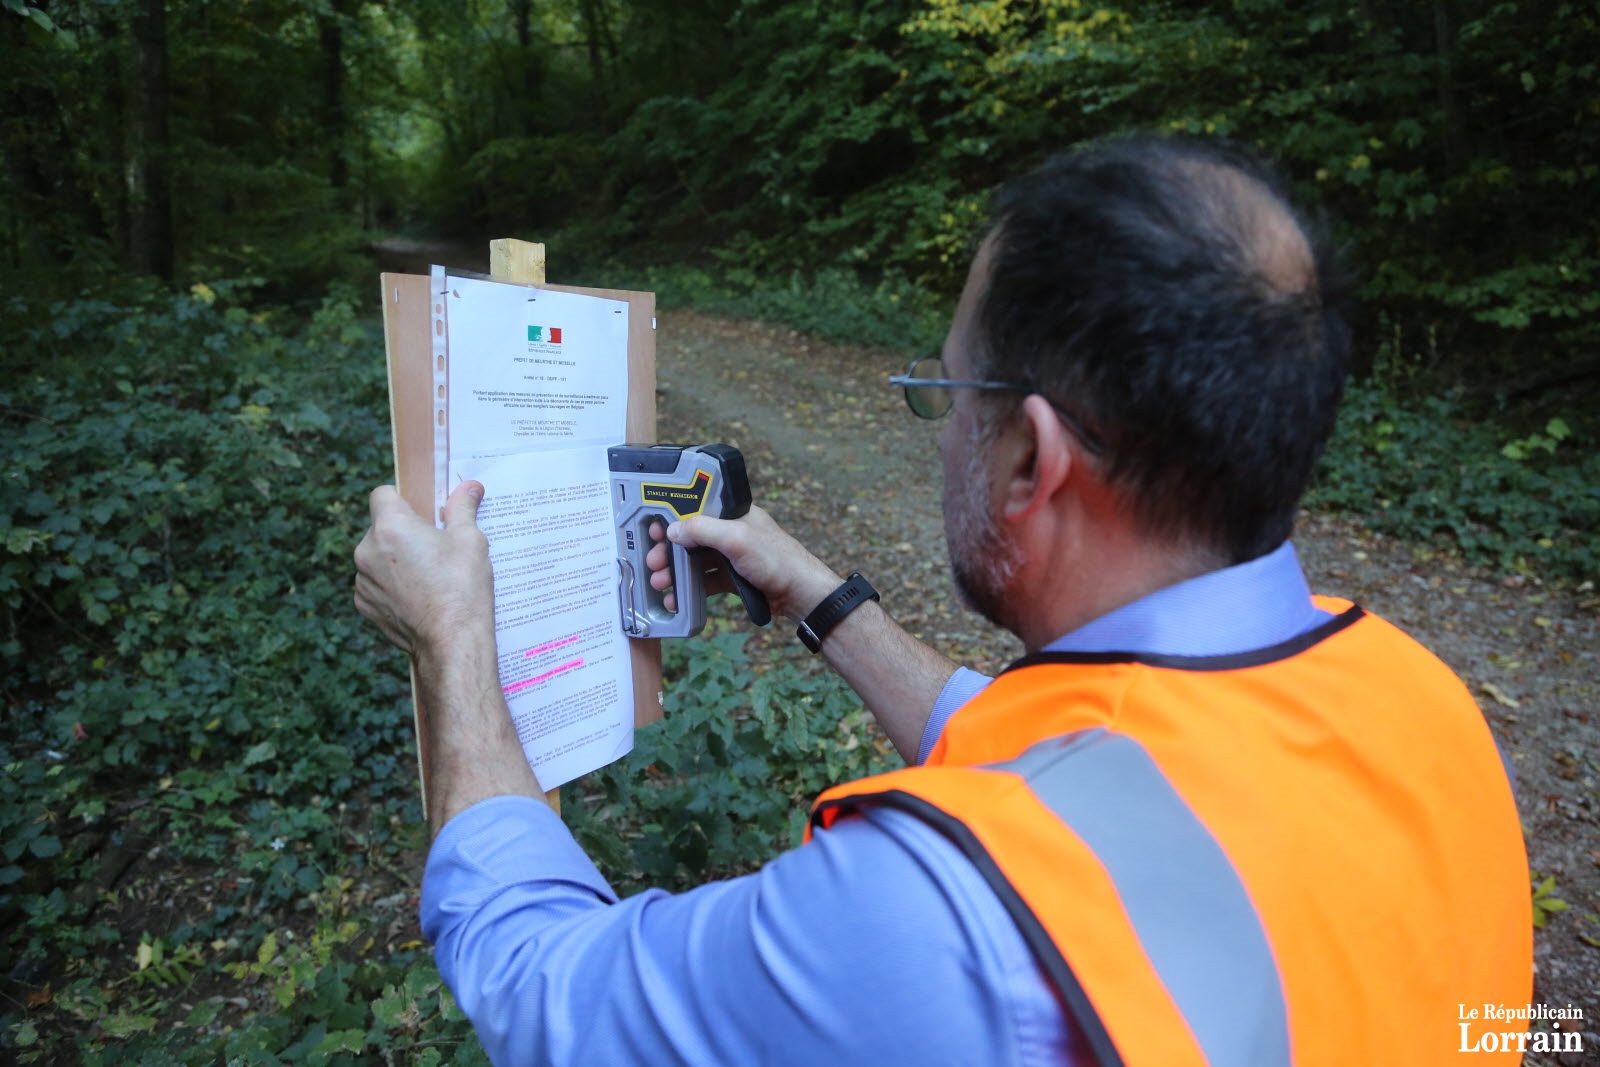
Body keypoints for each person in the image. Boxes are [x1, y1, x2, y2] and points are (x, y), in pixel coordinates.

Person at [353, 135, 1531, 1066]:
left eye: (945, 394)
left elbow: (543, 989)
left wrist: (459, 639)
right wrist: (815, 593)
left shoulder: (931, 917)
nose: (940, 434)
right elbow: (1109, 789)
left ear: (1031, 456)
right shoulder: (1419, 698)